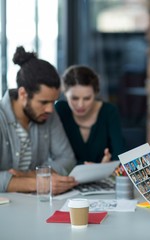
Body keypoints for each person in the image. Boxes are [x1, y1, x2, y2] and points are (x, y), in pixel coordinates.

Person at [0, 46, 77, 194]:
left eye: (53, 101)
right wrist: (39, 183)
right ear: (23, 93)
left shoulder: (48, 114)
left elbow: (67, 159)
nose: (50, 109)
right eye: (43, 102)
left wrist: (28, 175)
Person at [55, 65, 125, 164]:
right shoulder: (60, 110)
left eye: (87, 98)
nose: (80, 105)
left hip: (104, 177)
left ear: (96, 93)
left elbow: (120, 154)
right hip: (68, 176)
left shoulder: (109, 112)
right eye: (74, 98)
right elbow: (53, 156)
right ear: (65, 93)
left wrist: (106, 165)